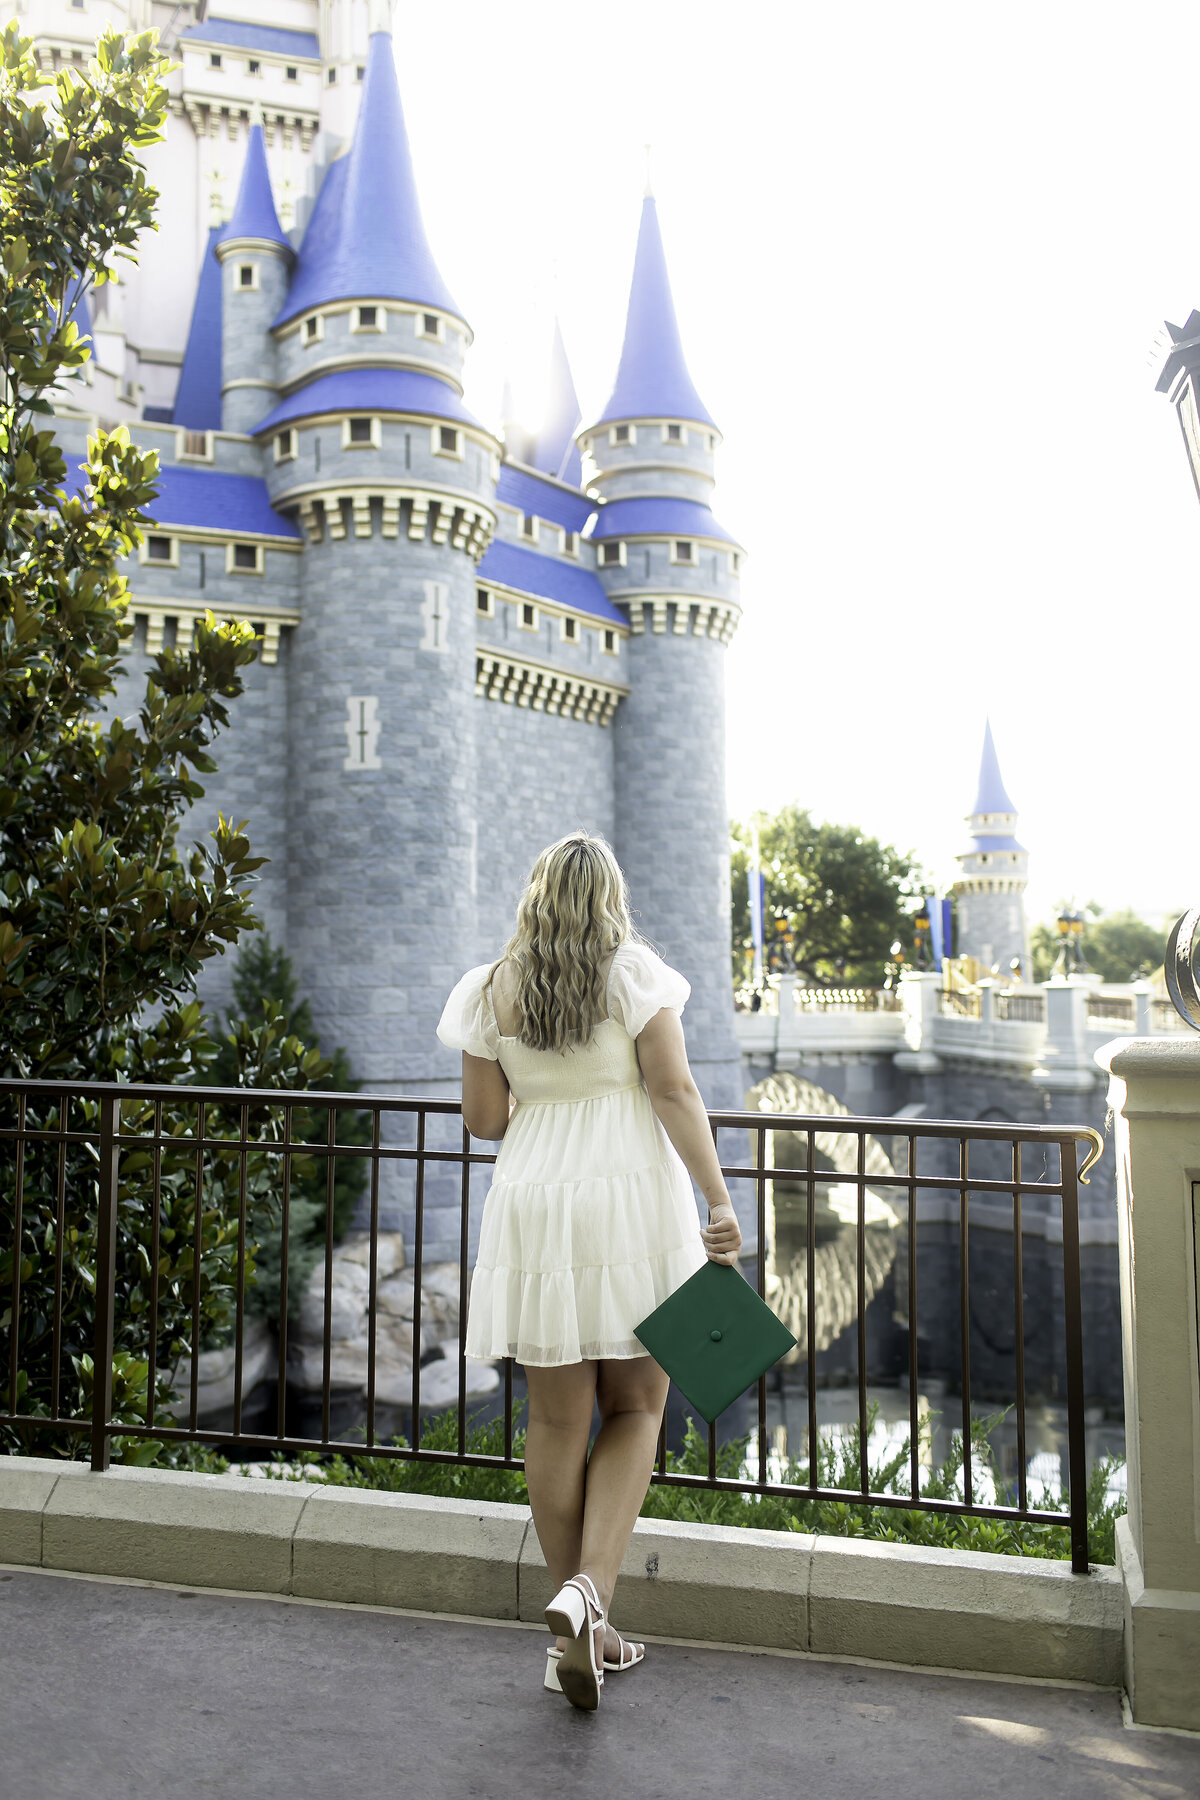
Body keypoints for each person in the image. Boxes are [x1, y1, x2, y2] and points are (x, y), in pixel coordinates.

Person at [437, 831, 742, 1713]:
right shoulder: (633, 974)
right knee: (640, 1405)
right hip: (630, 1199)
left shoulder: (490, 988)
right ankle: (588, 1597)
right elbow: (675, 1091)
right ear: (610, 896)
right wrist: (718, 1204)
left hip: (534, 1200)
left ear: (534, 896)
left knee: (557, 1421)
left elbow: (485, 1121)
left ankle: (582, 1626)